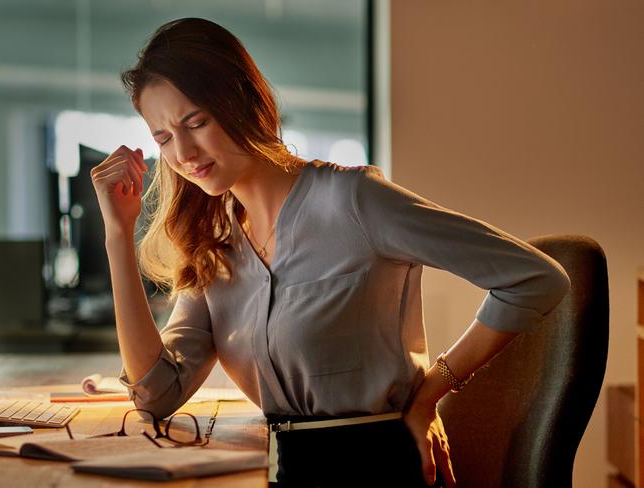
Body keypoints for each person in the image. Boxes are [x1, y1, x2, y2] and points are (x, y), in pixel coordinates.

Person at [90, 17, 571, 488]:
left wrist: (431, 393)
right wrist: (117, 235)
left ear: (242, 103)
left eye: (196, 122)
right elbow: (156, 394)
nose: (184, 153)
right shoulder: (216, 241)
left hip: (373, 465)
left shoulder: (355, 200)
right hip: (281, 465)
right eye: (164, 138)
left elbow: (533, 278)